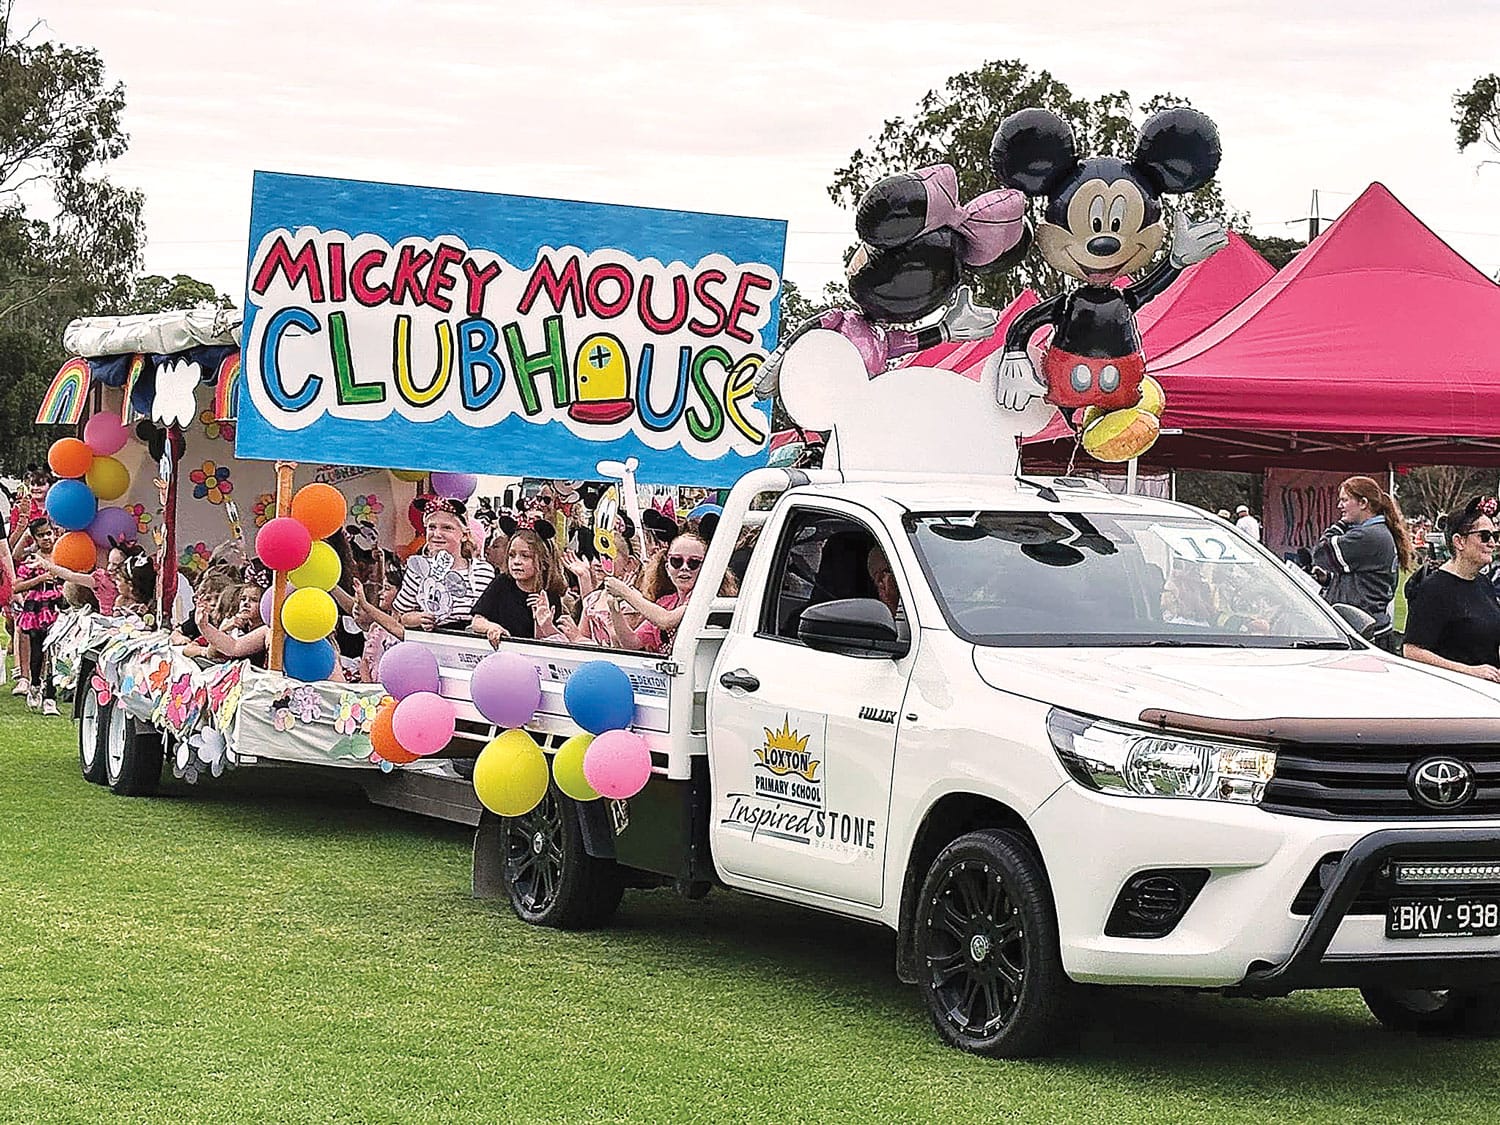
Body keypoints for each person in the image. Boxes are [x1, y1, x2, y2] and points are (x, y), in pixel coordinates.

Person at [1310, 475, 1413, 652]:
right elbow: (1363, 579)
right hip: (1373, 626)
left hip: (1364, 632)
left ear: (1363, 503)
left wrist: (1340, 524)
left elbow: (1321, 552)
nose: (1339, 506)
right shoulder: (1378, 531)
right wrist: (1329, 579)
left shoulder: (1369, 535)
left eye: (1345, 500)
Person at [1403, 495, 1500, 681]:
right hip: (1453, 692)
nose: (1492, 543)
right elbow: (1412, 650)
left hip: (1487, 690)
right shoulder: (1434, 589)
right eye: (1484, 536)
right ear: (1459, 541)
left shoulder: (1483, 583)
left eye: (1495, 536)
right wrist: (1470, 671)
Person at [606, 530, 735, 653]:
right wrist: (613, 608)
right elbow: (632, 643)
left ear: (706, 568)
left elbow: (666, 620)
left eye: (694, 563)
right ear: (667, 568)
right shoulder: (665, 602)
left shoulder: (707, 597)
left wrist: (627, 593)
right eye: (676, 561)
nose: (684, 568)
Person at [391, 497, 495, 632]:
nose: (437, 534)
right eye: (432, 527)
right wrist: (420, 618)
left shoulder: (484, 571)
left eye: (447, 528)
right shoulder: (419, 570)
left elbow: (494, 615)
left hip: (474, 645)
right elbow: (401, 616)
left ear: (464, 535)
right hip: (434, 644)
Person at [471, 527, 566, 645]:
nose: (516, 561)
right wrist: (492, 627)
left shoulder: (550, 594)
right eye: (511, 555)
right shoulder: (502, 583)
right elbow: (477, 620)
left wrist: (540, 620)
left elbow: (550, 641)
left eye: (525, 556)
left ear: (544, 562)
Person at [11, 519, 63, 714]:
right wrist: (39, 579)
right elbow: (16, 586)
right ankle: (34, 683)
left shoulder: (62, 555)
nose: (46, 538)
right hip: (37, 608)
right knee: (38, 650)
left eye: (48, 533)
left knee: (54, 652)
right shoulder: (32, 559)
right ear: (35, 539)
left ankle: (50, 696)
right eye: (41, 535)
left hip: (57, 606)